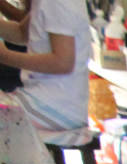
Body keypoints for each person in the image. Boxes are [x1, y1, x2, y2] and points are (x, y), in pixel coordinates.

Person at [0, 0, 91, 139]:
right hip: (43, 99)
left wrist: (5, 56)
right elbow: (22, 33)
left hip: (55, 107)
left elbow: (63, 63)